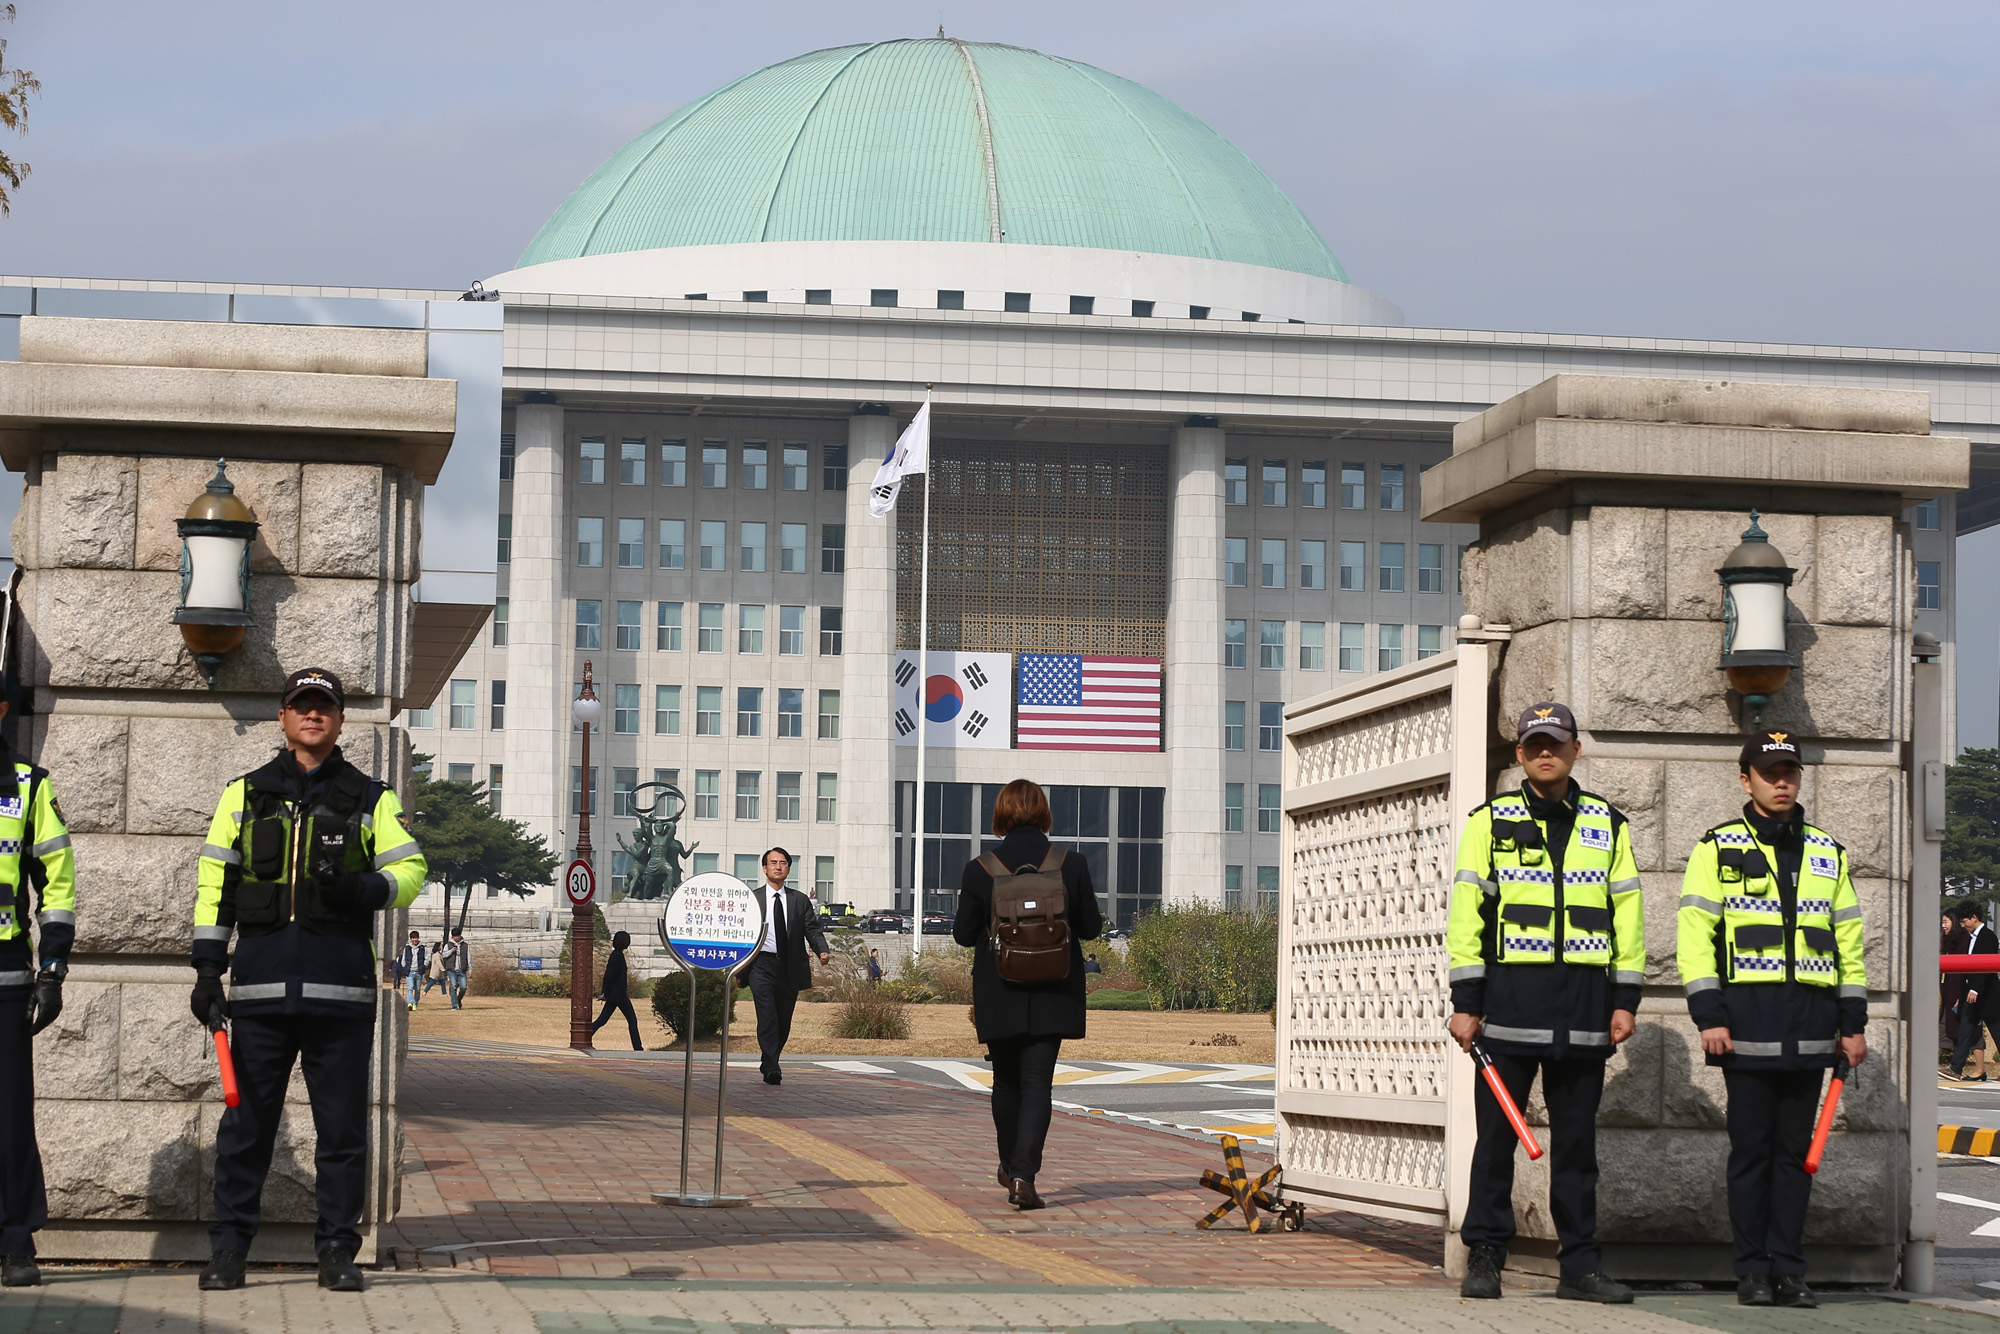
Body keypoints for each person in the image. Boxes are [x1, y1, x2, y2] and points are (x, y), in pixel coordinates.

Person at [189, 667, 427, 1294]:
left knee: (343, 1135)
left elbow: (411, 872)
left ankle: (337, 1254)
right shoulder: (244, 795)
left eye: (324, 707)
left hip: (341, 998)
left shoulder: (371, 797)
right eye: (302, 706)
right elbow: (216, 885)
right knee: (245, 1131)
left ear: (341, 719)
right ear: (284, 717)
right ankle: (229, 1253)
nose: (313, 716)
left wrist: (363, 887)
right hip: (260, 998)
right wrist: (208, 970)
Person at [1446, 702, 1642, 1304]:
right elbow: (1467, 917)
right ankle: (1485, 1256)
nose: (1545, 752)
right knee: (1496, 1144)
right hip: (1508, 1008)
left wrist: (1625, 1000)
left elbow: (1627, 916)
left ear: (1576, 750)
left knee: (1578, 1148)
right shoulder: (1489, 821)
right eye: (1534, 745)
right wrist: (1466, 1000)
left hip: (1584, 1011)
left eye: (1555, 743)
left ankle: (1580, 1268)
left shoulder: (1609, 825)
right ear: (1520, 756)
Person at [1677, 728, 1868, 1309]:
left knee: (1794, 1159)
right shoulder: (1717, 848)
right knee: (1752, 1155)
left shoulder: (1826, 852)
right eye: (1769, 773)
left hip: (1811, 1031)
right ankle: (1751, 1272)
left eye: (1790, 772)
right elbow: (1695, 938)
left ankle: (1789, 1270)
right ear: (1746, 780)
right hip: (1745, 1031)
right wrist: (1709, 1016)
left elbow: (1849, 945)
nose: (1781, 782)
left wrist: (1853, 1024)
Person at [954, 778, 1104, 1212]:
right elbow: (1092, 928)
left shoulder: (981, 867)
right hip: (1056, 987)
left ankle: (1007, 1164)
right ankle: (1023, 1175)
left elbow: (965, 935)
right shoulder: (1070, 863)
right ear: (1043, 812)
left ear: (1000, 813)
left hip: (1000, 986)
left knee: (1005, 1081)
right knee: (1038, 1082)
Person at [0, 697, 76, 1290]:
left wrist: (52, 969)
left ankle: (17, 1240)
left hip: (5, 981)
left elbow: (58, 881)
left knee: (8, 1117)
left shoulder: (27, 788)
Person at [745, 847, 828, 1085]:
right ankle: (772, 1067)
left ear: (789, 868)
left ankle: (769, 1058)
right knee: (767, 1016)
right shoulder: (753, 899)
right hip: (760, 965)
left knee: (783, 1019)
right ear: (764, 868)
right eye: (773, 862)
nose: (778, 866)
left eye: (783, 863)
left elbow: (812, 928)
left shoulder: (799, 900)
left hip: (790, 966)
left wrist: (822, 949)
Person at [1946, 902, 1998, 1082]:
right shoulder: (1970, 937)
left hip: (1987, 995)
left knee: (1997, 1032)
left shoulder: (1988, 937)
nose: (1962, 924)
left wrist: (1975, 988)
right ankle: (1955, 1069)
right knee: (1965, 1031)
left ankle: (1955, 1068)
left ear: (1974, 918)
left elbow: (1985, 967)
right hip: (1970, 995)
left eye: (1964, 921)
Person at [590, 930, 643, 1050]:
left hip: (615, 995)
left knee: (602, 1020)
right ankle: (638, 1048)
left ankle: (586, 1037)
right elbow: (610, 975)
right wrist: (605, 992)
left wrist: (606, 992)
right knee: (632, 1020)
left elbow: (609, 975)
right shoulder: (617, 956)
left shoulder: (616, 955)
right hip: (619, 995)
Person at [396, 931, 425, 1012]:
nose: (414, 939)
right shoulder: (407, 948)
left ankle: (415, 1004)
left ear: (418, 938)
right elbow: (403, 959)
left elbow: (426, 958)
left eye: (416, 938)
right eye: (413, 938)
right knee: (410, 988)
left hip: (419, 972)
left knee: (417, 989)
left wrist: (423, 966)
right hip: (410, 972)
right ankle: (410, 1003)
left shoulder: (422, 948)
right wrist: (404, 967)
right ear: (411, 939)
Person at [445, 927, 470, 1009]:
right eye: (454, 936)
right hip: (452, 970)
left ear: (460, 936)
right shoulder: (448, 945)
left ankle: (458, 1000)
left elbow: (469, 957)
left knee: (463, 987)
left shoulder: (465, 945)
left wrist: (470, 969)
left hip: (462, 970)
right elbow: (443, 955)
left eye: (457, 936)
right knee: (453, 987)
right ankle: (454, 1005)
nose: (456, 938)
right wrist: (451, 951)